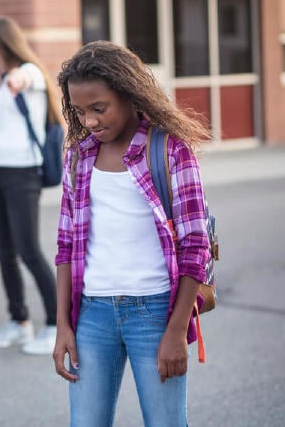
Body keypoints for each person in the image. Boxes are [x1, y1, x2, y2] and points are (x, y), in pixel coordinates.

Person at [51, 40, 211, 426]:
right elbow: (66, 246)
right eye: (80, 111)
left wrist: (176, 331)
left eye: (99, 109)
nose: (88, 121)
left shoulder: (170, 151)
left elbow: (195, 245)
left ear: (127, 94)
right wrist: (62, 326)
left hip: (154, 313)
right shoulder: (79, 156)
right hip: (92, 314)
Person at [0, 16, 63, 354]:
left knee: (28, 249)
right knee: (3, 250)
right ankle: (18, 321)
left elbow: (25, 79)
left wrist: (13, 79)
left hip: (23, 172)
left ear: (4, 44)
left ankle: (56, 325)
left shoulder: (30, 72)